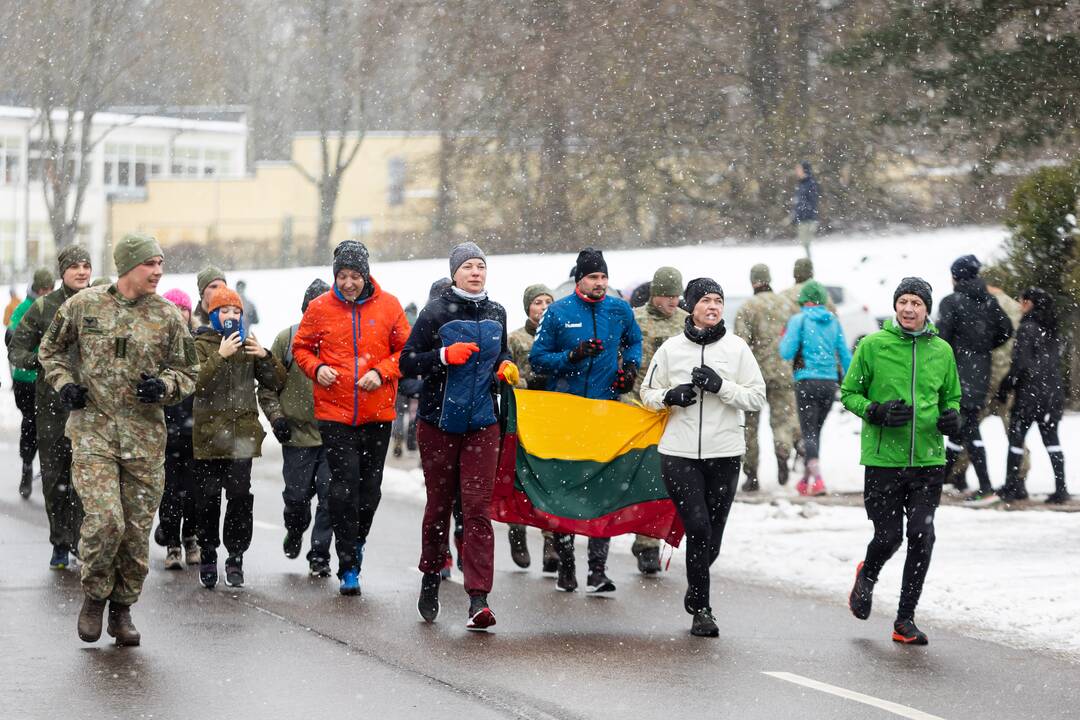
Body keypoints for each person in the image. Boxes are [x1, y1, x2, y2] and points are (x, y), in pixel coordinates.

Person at [39, 233, 198, 646]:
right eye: (151, 264)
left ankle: (122, 610)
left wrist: (163, 387)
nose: (158, 272)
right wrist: (65, 383)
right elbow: (49, 351)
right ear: (128, 266)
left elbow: (188, 372)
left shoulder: (166, 317)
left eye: (161, 263)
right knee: (107, 520)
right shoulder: (83, 305)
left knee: (135, 531)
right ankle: (94, 596)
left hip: (145, 440)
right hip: (94, 433)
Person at [640, 278, 766, 637]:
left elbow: (757, 397)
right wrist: (671, 395)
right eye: (706, 300)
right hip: (678, 453)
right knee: (697, 527)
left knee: (712, 537)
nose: (713, 306)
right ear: (690, 306)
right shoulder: (670, 349)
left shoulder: (738, 349)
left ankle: (696, 587)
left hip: (724, 453)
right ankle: (703, 611)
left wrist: (720, 387)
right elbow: (647, 393)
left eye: (718, 301)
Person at [843, 277, 961, 646]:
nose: (909, 309)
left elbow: (951, 397)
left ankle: (904, 620)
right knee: (889, 536)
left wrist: (951, 417)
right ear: (895, 306)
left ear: (927, 310)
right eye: (903, 302)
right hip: (883, 460)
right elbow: (849, 393)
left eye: (917, 303)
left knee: (923, 537)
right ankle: (868, 572)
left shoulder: (942, 350)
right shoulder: (873, 346)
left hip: (928, 460)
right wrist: (874, 411)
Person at [402, 242, 513, 630]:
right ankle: (431, 574)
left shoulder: (497, 311)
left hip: (483, 423)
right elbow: (407, 362)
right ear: (454, 273)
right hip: (439, 423)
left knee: (477, 509)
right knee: (440, 505)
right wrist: (444, 357)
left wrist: (506, 366)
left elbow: (504, 353)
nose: (476, 272)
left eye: (481, 265)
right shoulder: (435, 312)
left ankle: (478, 598)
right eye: (468, 266)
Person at [292, 241, 410, 596]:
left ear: (366, 275)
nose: (348, 283)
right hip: (335, 414)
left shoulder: (389, 307)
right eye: (342, 276)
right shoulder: (319, 308)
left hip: (377, 413)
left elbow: (407, 350)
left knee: (369, 491)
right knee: (343, 487)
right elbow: (301, 348)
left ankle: (356, 543)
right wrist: (318, 367)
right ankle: (348, 565)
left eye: (354, 276)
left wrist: (382, 371)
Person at [530, 247, 643, 593]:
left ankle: (598, 570)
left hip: (606, 410)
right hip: (567, 413)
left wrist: (630, 369)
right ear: (579, 280)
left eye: (603, 278)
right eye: (593, 277)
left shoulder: (619, 309)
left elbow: (634, 341)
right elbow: (538, 359)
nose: (600, 284)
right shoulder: (559, 313)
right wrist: (572, 356)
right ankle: (567, 564)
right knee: (566, 490)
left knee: (602, 491)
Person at [192, 286, 286, 589]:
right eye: (225, 311)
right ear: (213, 314)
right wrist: (220, 355)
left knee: (240, 499)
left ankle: (235, 557)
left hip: (242, 437)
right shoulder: (201, 344)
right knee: (207, 500)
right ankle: (208, 553)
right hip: (208, 438)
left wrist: (265, 355)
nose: (231, 316)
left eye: (236, 311)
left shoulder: (248, 345)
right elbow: (196, 383)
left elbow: (276, 381)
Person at [9, 247, 93, 569]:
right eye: (75, 266)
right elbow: (18, 348)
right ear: (62, 271)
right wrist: (44, 364)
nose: (82, 272)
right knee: (57, 480)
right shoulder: (44, 307)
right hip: (53, 408)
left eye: (86, 266)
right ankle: (60, 542)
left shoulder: (101, 303)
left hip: (92, 409)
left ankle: (83, 542)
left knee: (88, 481)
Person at [258, 279, 337, 578]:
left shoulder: (342, 341)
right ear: (304, 310)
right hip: (296, 437)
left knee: (330, 498)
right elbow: (266, 388)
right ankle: (295, 529)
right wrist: (277, 419)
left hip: (332, 435)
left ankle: (319, 555)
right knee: (296, 499)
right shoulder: (287, 340)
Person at [935, 255, 1013, 500]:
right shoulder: (989, 301)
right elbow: (1007, 330)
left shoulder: (951, 302)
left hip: (956, 375)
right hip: (980, 374)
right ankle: (942, 481)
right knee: (959, 431)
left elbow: (942, 340)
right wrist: (983, 349)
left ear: (956, 276)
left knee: (968, 429)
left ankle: (986, 488)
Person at [627, 266, 687, 574]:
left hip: (676, 409)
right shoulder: (634, 319)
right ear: (655, 294)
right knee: (644, 477)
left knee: (667, 480)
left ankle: (649, 538)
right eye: (668, 296)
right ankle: (645, 540)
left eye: (677, 295)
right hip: (640, 408)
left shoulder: (686, 323)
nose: (674, 301)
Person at [946, 284, 1030, 490]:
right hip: (1007, 379)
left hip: (979, 378)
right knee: (1013, 431)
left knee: (968, 428)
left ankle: (958, 473)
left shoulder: (977, 303)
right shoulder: (1013, 306)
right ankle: (1018, 478)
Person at [996, 287, 1070, 504]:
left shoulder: (1027, 328)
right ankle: (1061, 488)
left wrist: (1005, 386)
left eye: (1021, 301)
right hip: (1052, 393)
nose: (1019, 306)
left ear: (1029, 303)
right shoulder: (1052, 329)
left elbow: (1021, 364)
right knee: (1052, 441)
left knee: (1016, 439)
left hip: (1030, 394)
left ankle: (1012, 486)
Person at [778, 280, 852, 495]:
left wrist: (786, 337)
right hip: (830, 383)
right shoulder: (834, 322)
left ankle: (817, 479)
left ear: (805, 301)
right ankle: (806, 479)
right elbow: (845, 355)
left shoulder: (799, 320)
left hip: (806, 381)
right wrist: (852, 381)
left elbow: (786, 352)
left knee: (809, 432)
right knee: (816, 431)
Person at [734, 263, 801, 492]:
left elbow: (740, 344)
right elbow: (798, 337)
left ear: (753, 281)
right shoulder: (788, 305)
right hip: (783, 372)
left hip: (754, 376)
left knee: (749, 426)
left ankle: (751, 474)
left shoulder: (747, 308)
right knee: (783, 419)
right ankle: (782, 451)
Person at [506, 283, 556, 571]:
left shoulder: (559, 339)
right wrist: (527, 384)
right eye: (538, 302)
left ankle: (551, 541)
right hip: (522, 418)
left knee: (549, 480)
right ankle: (517, 530)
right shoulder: (515, 339)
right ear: (528, 307)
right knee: (521, 478)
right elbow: (505, 376)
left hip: (551, 419)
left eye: (549, 301)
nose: (544, 306)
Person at [153, 289, 201, 570]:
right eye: (173, 308)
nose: (179, 313)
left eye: (183, 308)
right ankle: (172, 544)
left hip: (196, 430)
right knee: (170, 492)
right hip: (166, 430)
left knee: (194, 492)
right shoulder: (158, 345)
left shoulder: (198, 342)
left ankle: (190, 537)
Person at [6, 267, 55, 498]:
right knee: (32, 423)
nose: (47, 292)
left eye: (50, 289)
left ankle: (47, 471)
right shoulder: (25, 308)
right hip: (26, 379)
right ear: (36, 288)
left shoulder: (55, 307)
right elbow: (11, 335)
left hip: (48, 379)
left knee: (48, 427)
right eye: (43, 289)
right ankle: (27, 467)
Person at [792, 161, 819, 258]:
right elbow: (799, 203)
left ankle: (808, 264)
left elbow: (812, 202)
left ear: (804, 170)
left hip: (808, 219)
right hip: (802, 219)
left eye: (798, 168)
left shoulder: (810, 184)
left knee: (806, 243)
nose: (796, 171)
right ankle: (808, 262)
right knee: (804, 243)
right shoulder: (801, 184)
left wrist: (811, 219)